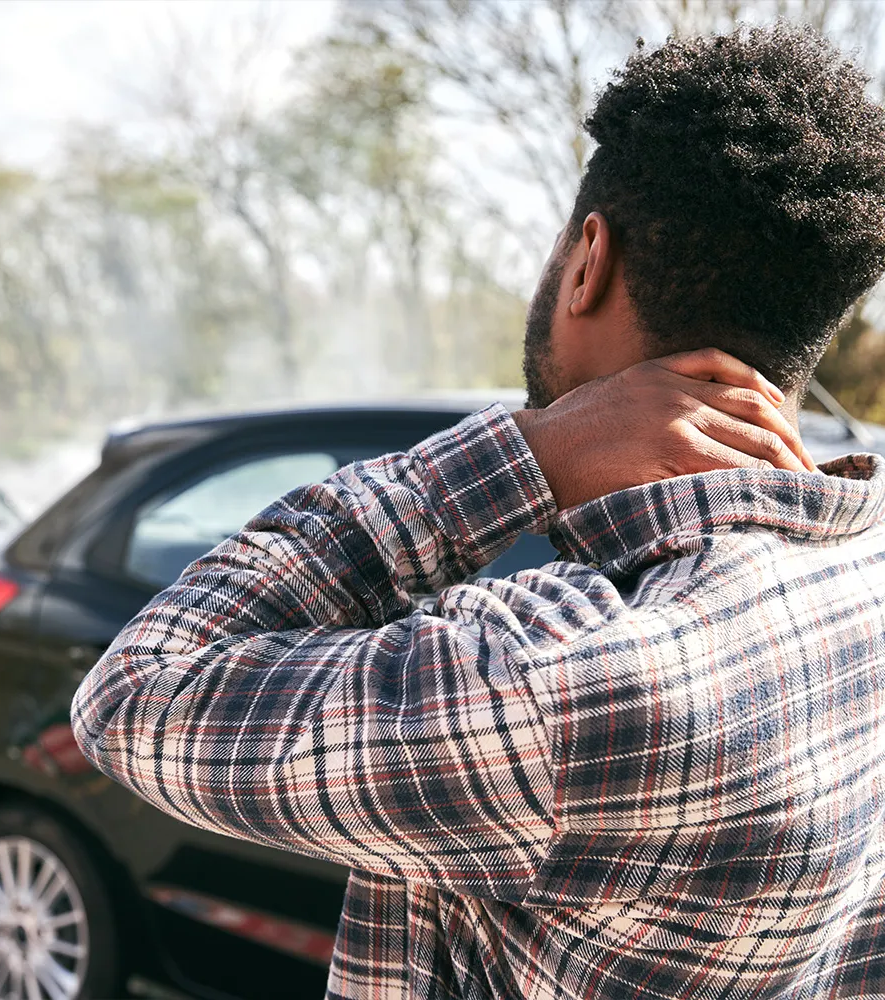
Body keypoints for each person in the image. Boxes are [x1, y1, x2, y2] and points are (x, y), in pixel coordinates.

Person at [72, 22, 885, 1000]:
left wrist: (523, 452)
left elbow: (135, 694)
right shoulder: (861, 572)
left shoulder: (547, 683)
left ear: (588, 259)